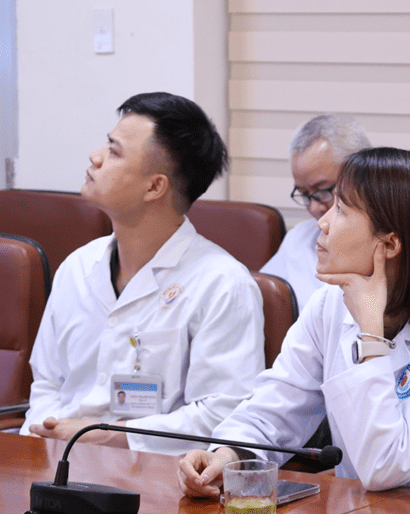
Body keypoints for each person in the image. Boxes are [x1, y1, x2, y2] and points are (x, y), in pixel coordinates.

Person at [178, 147, 410, 496]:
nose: (322, 222)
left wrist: (371, 334)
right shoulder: (329, 305)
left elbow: (386, 465)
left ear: (390, 244)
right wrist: (227, 456)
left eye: (340, 209)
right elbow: (275, 408)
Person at [22, 92, 265, 455]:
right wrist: (48, 433)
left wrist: (107, 435)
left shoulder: (223, 284)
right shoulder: (77, 267)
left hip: (159, 474)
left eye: (114, 151)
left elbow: (222, 416)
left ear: (155, 187)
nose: (95, 157)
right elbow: (47, 383)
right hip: (57, 464)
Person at [260, 114, 370, 310]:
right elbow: (259, 299)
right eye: (304, 194)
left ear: (363, 175)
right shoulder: (299, 240)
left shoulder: (391, 246)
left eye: (323, 191)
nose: (314, 208)